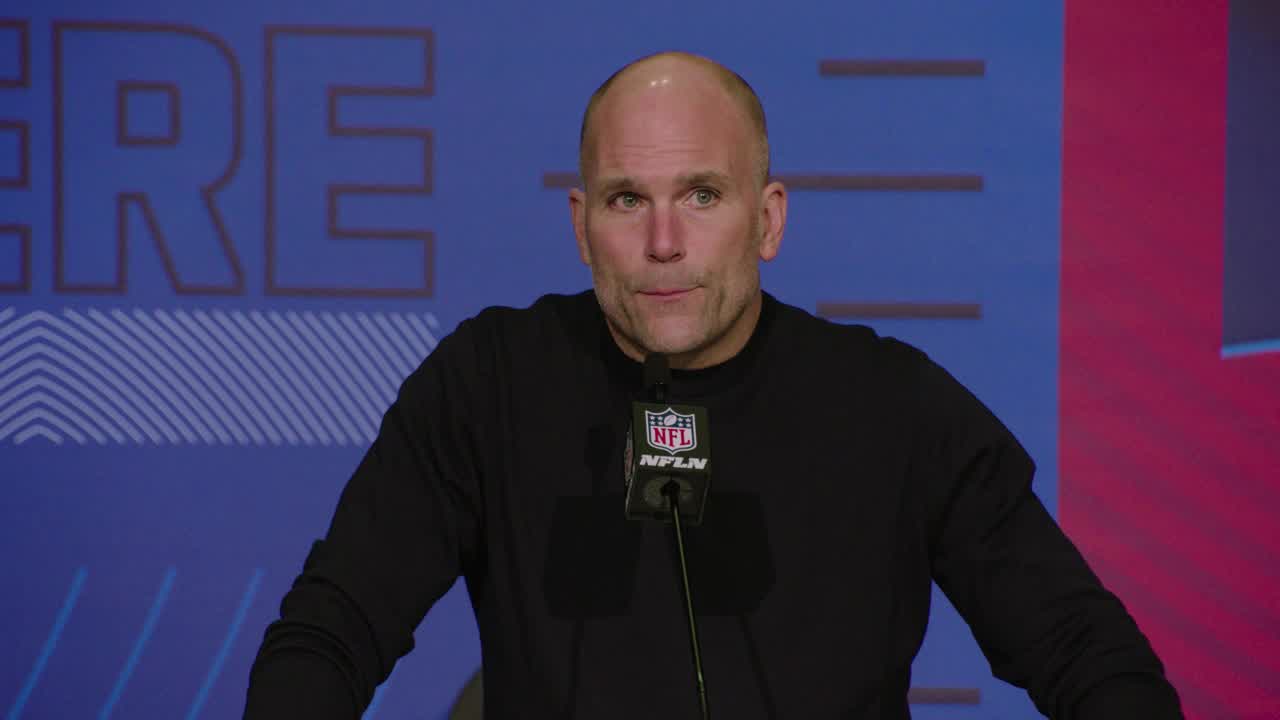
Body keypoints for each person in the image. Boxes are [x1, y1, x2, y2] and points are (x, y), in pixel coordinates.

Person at [244, 52, 1182, 719]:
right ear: (581, 226)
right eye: (626, 200)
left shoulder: (893, 406)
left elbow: (1086, 653)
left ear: (767, 220)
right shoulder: (488, 385)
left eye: (701, 195)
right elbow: (329, 634)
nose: (663, 243)